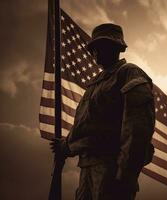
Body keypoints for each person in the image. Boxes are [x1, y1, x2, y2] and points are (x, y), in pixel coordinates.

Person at [50, 23, 155, 200]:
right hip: (87, 168)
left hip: (112, 167)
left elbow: (137, 128)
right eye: (94, 48)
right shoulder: (94, 84)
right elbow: (87, 125)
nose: (96, 52)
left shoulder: (129, 73)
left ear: (117, 48)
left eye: (102, 46)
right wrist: (66, 145)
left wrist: (125, 173)